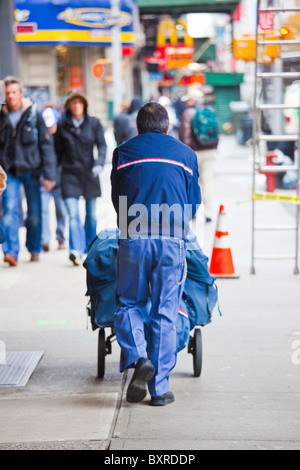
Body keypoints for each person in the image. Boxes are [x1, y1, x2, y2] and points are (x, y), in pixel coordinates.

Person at [111, 102, 201, 406]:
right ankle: (159, 389)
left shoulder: (123, 152)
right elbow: (193, 202)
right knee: (165, 309)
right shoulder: (186, 155)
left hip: (134, 236)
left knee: (128, 303)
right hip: (172, 239)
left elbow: (117, 198)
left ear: (138, 127)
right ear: (167, 126)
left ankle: (138, 356)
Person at [0, 76, 56, 267]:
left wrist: (49, 174)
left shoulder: (34, 113)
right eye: (7, 93)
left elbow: (46, 145)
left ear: (20, 93)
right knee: (10, 211)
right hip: (10, 172)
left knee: (34, 213)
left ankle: (33, 248)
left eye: (14, 92)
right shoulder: (1, 115)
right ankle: (10, 252)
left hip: (32, 171)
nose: (11, 96)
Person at [55, 90, 107, 266]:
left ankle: (90, 248)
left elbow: (102, 145)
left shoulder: (94, 123)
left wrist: (99, 163)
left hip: (90, 173)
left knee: (91, 214)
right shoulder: (62, 125)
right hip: (69, 174)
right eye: (73, 102)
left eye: (80, 102)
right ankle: (76, 250)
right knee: (73, 214)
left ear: (84, 105)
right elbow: (56, 152)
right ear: (69, 106)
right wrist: (54, 173)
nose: (77, 105)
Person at [179, 89, 218, 223]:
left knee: (192, 182)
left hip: (194, 153)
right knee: (207, 182)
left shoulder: (187, 113)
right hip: (210, 151)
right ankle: (209, 213)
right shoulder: (209, 112)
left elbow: (184, 135)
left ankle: (192, 212)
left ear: (192, 100)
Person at [41, 106, 66, 252]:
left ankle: (61, 237)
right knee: (43, 210)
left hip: (60, 178)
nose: (50, 128)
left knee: (61, 209)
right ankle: (44, 239)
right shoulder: (41, 136)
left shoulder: (62, 136)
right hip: (44, 179)